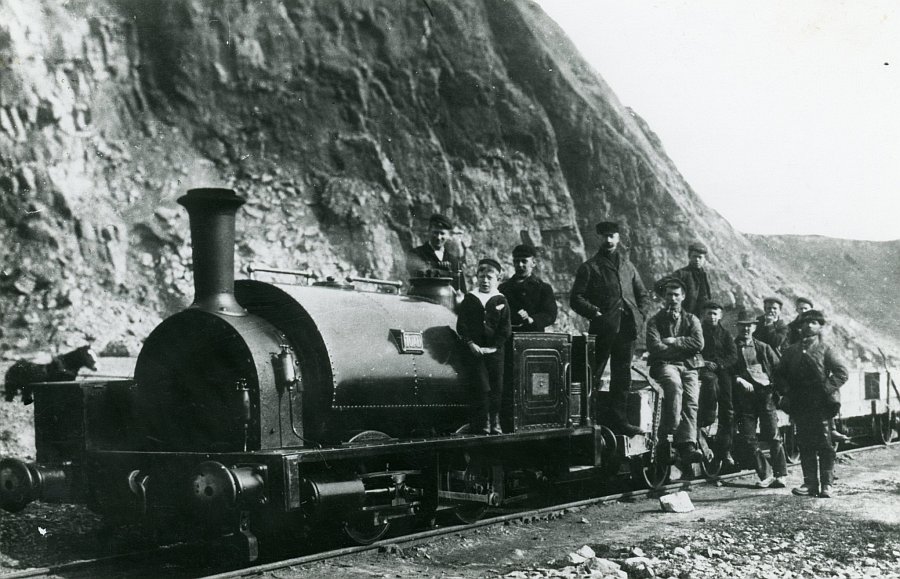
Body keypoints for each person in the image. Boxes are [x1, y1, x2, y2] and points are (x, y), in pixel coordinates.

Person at [570, 221, 652, 435]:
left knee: (621, 376)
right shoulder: (590, 267)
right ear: (599, 238)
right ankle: (586, 419)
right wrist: (596, 313)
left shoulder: (628, 266)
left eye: (612, 236)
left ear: (618, 238)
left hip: (627, 331)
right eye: (604, 236)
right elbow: (576, 298)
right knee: (592, 375)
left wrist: (640, 315)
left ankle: (620, 421)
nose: (608, 240)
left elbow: (642, 294)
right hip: (603, 330)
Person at [776, 309, 849, 498]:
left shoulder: (826, 349)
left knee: (824, 443)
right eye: (805, 322)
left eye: (814, 322)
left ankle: (827, 485)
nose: (809, 325)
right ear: (800, 327)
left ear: (819, 326)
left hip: (821, 402)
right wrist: (786, 391)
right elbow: (779, 375)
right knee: (805, 444)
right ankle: (810, 484)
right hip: (800, 402)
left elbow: (841, 373)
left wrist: (825, 390)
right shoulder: (791, 351)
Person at [646, 277, 705, 463]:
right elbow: (654, 346)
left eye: (676, 295)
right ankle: (671, 432)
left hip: (688, 366)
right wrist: (682, 348)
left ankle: (687, 445)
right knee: (673, 384)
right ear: (664, 296)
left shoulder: (692, 319)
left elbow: (699, 343)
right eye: (669, 294)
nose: (672, 298)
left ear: (683, 296)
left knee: (692, 400)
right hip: (664, 365)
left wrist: (674, 341)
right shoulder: (655, 321)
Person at [457, 258, 512, 435]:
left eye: (489, 277)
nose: (485, 281)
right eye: (482, 276)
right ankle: (484, 422)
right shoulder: (470, 298)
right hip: (476, 352)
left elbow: (505, 328)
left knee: (496, 387)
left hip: (495, 353)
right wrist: (471, 344)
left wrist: (495, 347)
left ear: (498, 279)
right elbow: (462, 324)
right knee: (482, 387)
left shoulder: (501, 300)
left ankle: (495, 422)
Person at [731, 317, 787, 488]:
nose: (745, 329)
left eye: (749, 326)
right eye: (742, 326)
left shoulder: (763, 347)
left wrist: (777, 390)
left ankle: (781, 475)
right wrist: (738, 379)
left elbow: (779, 369)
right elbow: (725, 369)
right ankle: (765, 475)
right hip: (743, 399)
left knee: (772, 434)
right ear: (738, 327)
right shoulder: (731, 348)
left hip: (765, 395)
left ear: (754, 327)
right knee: (748, 438)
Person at [697, 301, 738, 467]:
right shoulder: (697, 331)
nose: (712, 316)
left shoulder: (726, 334)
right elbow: (693, 349)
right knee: (710, 383)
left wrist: (720, 365)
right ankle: (707, 419)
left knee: (728, 408)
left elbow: (733, 356)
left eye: (715, 313)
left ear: (720, 316)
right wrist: (704, 362)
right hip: (703, 370)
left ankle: (725, 449)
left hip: (722, 372)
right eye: (709, 313)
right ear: (704, 315)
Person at [498, 244, 558, 332]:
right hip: (508, 335)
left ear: (533, 263)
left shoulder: (543, 288)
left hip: (533, 336)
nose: (520, 265)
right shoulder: (503, 288)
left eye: (524, 261)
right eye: (516, 261)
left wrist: (531, 319)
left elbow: (550, 315)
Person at [408, 214, 467, 291]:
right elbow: (415, 278)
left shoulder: (454, 262)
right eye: (435, 232)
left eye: (442, 233)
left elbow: (462, 291)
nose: (438, 237)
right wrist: (441, 271)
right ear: (429, 231)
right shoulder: (416, 254)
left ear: (448, 235)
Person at [669, 241, 713, 317]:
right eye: (694, 256)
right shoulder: (681, 274)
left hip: (702, 317)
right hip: (684, 317)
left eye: (700, 257)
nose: (697, 259)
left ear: (704, 259)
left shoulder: (706, 275)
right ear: (689, 257)